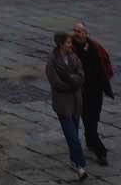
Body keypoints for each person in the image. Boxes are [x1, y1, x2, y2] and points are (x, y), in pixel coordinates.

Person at [47, 31, 89, 181]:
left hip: (76, 103)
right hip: (63, 105)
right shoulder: (52, 60)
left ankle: (73, 159)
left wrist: (72, 80)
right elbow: (55, 82)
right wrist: (72, 84)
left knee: (74, 135)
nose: (71, 45)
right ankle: (80, 167)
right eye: (68, 43)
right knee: (73, 137)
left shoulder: (73, 57)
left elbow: (81, 75)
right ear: (60, 44)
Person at [71, 21, 113, 165]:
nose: (76, 33)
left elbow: (105, 61)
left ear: (85, 33)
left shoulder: (95, 46)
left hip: (96, 90)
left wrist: (106, 77)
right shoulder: (70, 48)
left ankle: (90, 140)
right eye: (75, 30)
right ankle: (100, 151)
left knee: (93, 117)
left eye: (79, 31)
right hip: (81, 92)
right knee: (88, 121)